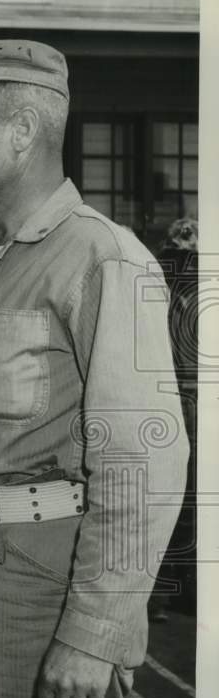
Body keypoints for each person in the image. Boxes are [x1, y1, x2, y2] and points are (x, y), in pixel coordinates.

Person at [0, 39, 188, 698]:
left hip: (47, 597)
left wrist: (92, 633)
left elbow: (143, 458)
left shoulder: (101, 258)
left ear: (24, 130)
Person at [151, 217, 198, 621]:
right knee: (168, 501)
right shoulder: (154, 300)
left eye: (194, 260)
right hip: (167, 406)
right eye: (180, 259)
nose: (187, 268)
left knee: (199, 502)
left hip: (203, 406)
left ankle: (192, 591)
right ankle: (160, 594)